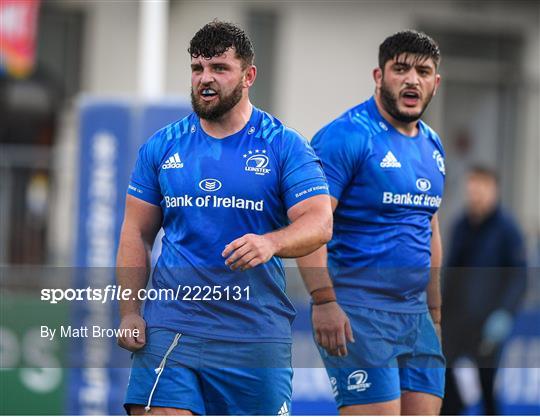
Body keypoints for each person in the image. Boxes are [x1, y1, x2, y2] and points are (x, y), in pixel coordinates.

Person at [116, 20, 332, 415]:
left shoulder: (285, 146)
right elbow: (136, 232)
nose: (205, 79)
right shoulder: (163, 147)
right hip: (174, 325)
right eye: (197, 69)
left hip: (254, 333)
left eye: (219, 68)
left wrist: (272, 242)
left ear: (248, 75)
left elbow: (319, 223)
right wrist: (130, 311)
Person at [297, 30, 446, 415]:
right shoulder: (344, 137)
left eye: (424, 72)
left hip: (416, 316)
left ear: (435, 83)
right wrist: (324, 301)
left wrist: (435, 313)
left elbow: (428, 229)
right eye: (401, 69)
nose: (413, 79)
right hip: (359, 310)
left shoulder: (433, 145)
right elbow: (310, 226)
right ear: (379, 77)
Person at [441, 166, 527, 415]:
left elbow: (518, 278)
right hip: (455, 321)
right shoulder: (461, 226)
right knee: (444, 381)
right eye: (471, 189)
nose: (475, 195)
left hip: (487, 323)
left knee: (486, 387)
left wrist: (504, 313)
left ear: (494, 190)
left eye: (481, 189)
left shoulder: (507, 230)